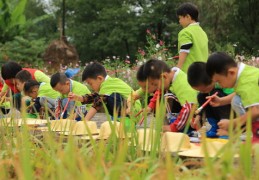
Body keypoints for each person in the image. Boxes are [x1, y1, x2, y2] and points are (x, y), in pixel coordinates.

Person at [206, 52, 259, 143]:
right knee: (236, 100)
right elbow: (240, 93)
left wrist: (232, 123)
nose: (220, 86)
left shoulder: (246, 81)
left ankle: (257, 136)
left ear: (231, 72)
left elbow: (256, 110)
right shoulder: (245, 73)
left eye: (219, 81)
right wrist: (221, 101)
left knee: (237, 102)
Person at [68, 62, 142, 125]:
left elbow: (97, 103)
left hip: (132, 113)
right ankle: (118, 121)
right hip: (131, 110)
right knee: (104, 97)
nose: (91, 86)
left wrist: (85, 121)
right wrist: (78, 97)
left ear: (99, 78)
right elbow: (95, 96)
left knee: (107, 98)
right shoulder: (108, 84)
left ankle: (123, 121)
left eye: (90, 83)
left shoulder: (108, 85)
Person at [137, 59, 197, 133]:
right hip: (184, 115)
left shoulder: (181, 83)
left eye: (155, 84)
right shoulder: (168, 79)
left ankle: (178, 126)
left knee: (168, 95)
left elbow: (188, 108)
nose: (156, 88)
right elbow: (158, 92)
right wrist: (150, 107)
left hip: (194, 118)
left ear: (164, 76)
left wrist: (173, 128)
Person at [187, 62, 233, 137]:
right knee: (201, 96)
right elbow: (202, 105)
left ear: (212, 79)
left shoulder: (223, 83)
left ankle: (227, 128)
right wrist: (198, 116)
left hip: (233, 114)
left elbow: (234, 97)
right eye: (200, 90)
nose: (203, 92)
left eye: (205, 89)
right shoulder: (204, 92)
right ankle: (213, 126)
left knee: (215, 93)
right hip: (219, 112)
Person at [176, 2, 208, 73]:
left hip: (190, 74)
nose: (179, 21)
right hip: (204, 73)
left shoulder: (185, 32)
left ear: (188, 17)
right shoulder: (203, 33)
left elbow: (184, 51)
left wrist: (177, 70)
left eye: (180, 18)